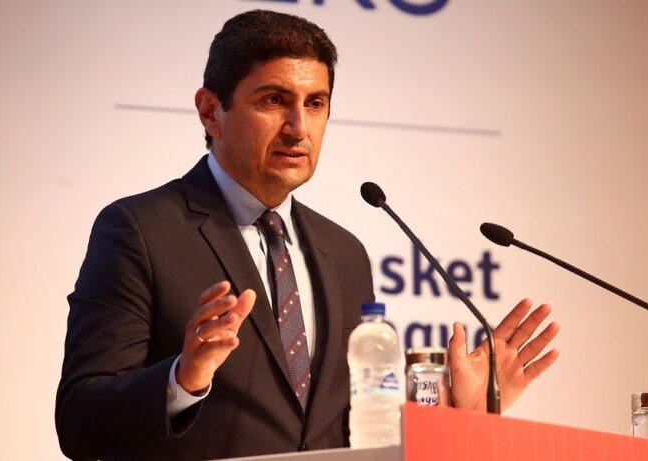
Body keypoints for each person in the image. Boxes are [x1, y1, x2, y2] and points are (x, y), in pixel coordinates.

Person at [55, 9, 559, 461]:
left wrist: (455, 415)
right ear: (211, 111)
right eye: (274, 100)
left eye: (315, 103)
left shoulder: (344, 252)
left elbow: (348, 431)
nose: (298, 127)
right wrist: (182, 379)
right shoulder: (141, 230)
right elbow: (79, 421)